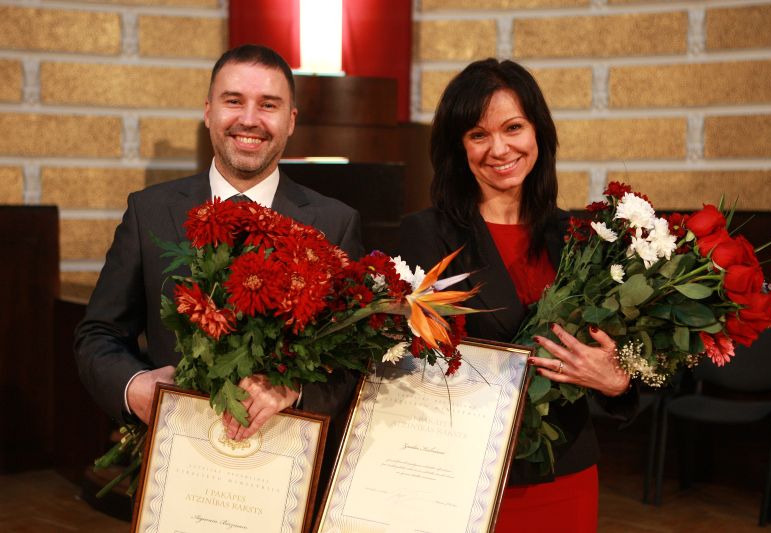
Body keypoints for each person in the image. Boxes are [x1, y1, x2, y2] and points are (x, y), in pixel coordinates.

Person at [74, 45, 363, 445]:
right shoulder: (149, 212)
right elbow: (98, 334)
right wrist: (133, 385)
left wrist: (296, 389)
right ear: (208, 111)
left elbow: (352, 362)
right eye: (233, 101)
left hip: (285, 453)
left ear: (291, 120)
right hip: (176, 449)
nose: (250, 119)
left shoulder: (335, 223)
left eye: (268, 105)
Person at [398, 58, 637, 531]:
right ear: (458, 147)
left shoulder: (579, 236)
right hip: (465, 477)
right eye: (478, 134)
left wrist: (617, 382)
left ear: (537, 132)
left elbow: (626, 358)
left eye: (513, 127)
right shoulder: (425, 235)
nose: (499, 148)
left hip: (566, 472)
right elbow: (408, 366)